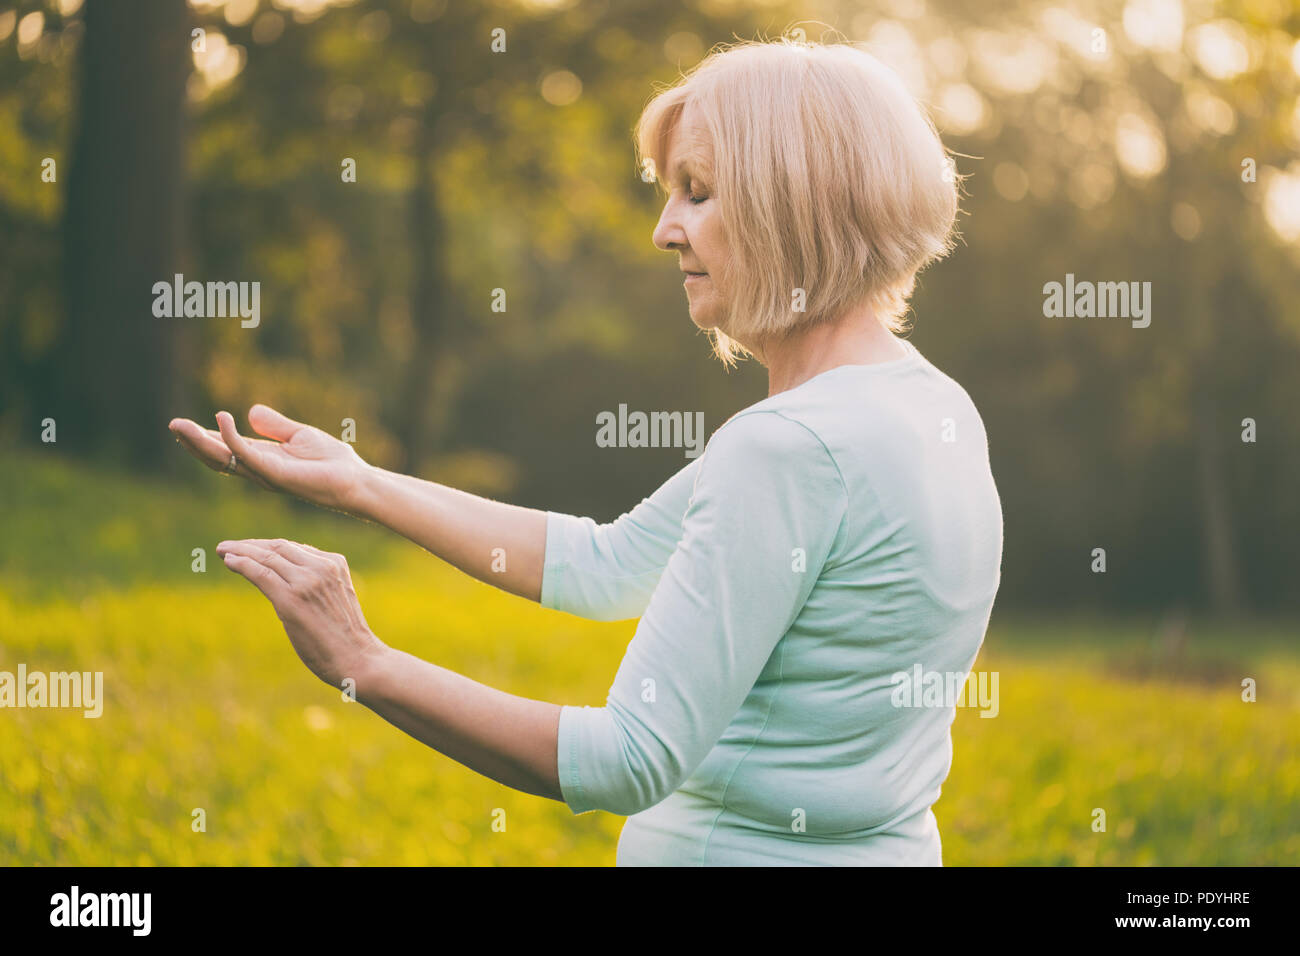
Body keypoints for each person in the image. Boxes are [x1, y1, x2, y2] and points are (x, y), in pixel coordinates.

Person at [169, 37, 1003, 866]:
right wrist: (361, 485)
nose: (664, 230)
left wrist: (364, 661)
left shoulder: (787, 448)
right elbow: (608, 563)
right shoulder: (934, 408)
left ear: (797, 204)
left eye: (699, 193)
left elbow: (629, 758)